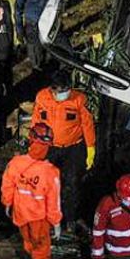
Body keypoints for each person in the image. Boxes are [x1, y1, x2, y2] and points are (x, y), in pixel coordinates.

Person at [15, 0, 113, 70]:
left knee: (68, 52)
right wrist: (19, 31)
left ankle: (68, 71)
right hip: (33, 26)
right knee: (37, 61)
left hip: (51, 24)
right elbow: (18, 8)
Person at [31, 68, 95, 231]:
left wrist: (90, 148)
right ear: (52, 89)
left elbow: (87, 124)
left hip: (73, 148)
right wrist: (35, 146)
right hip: (50, 148)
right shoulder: (42, 98)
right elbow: (36, 122)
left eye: (67, 90)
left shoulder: (79, 99)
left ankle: (71, 217)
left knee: (72, 183)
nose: (65, 94)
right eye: (61, 91)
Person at [1, 123, 62, 259]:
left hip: (21, 214)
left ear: (31, 140)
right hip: (39, 220)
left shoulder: (16, 163)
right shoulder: (50, 172)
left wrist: (7, 203)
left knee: (27, 243)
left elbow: (7, 185)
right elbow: (53, 201)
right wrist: (56, 222)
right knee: (41, 251)